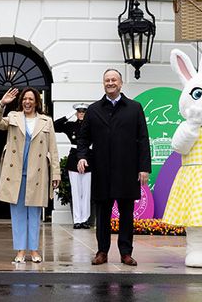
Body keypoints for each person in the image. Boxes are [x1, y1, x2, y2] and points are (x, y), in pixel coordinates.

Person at [77, 69, 151, 267]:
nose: (110, 83)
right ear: (103, 84)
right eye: (107, 80)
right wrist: (82, 157)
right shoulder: (93, 110)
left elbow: (143, 139)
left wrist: (144, 168)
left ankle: (126, 253)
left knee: (127, 214)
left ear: (121, 83)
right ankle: (102, 252)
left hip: (127, 170)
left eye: (114, 80)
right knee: (102, 214)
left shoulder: (135, 108)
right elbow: (83, 138)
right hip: (102, 171)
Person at [0, 87, 61, 263]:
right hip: (16, 173)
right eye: (24, 99)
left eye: (31, 99)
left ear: (37, 102)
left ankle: (34, 250)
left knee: (34, 214)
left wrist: (56, 173)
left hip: (37, 174)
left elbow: (53, 149)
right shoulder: (14, 116)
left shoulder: (46, 121)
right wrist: (2, 104)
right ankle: (21, 251)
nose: (27, 102)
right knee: (18, 214)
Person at [54, 103, 92, 229]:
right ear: (76, 113)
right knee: (76, 191)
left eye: (84, 112)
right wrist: (68, 116)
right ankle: (77, 220)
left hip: (88, 158)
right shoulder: (71, 126)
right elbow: (55, 126)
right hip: (73, 159)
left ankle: (85, 219)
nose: (81, 114)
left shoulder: (92, 126)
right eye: (79, 112)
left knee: (86, 192)